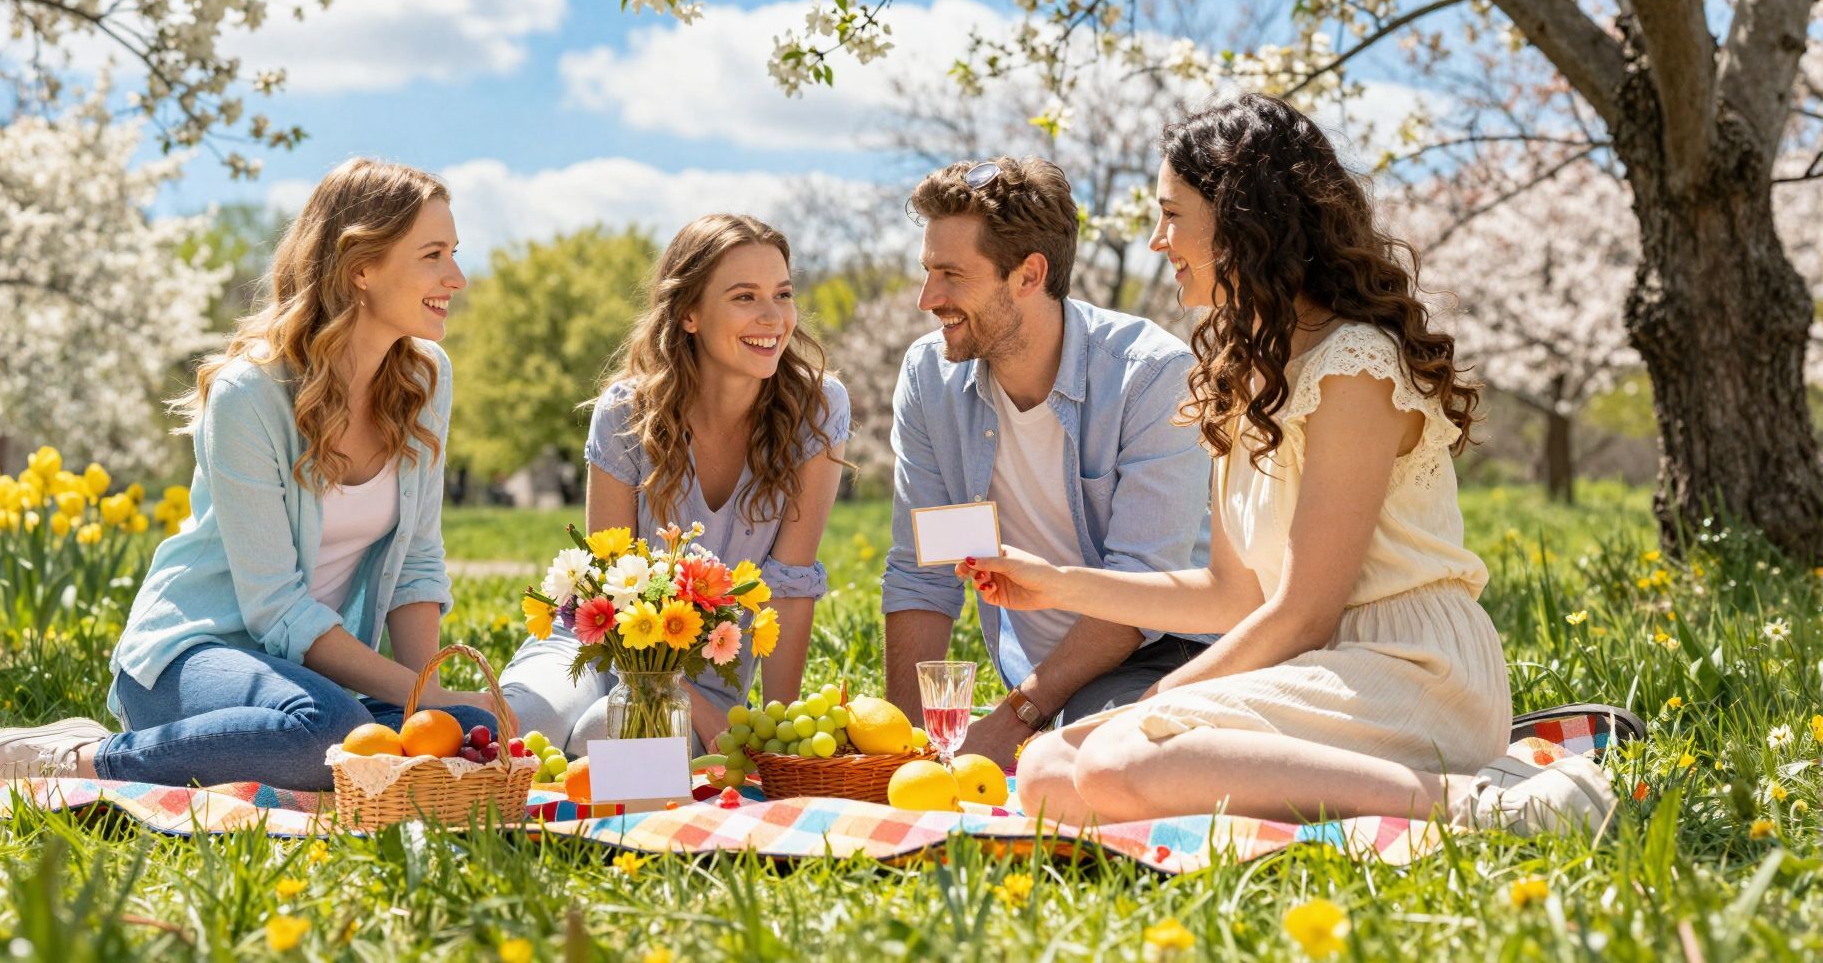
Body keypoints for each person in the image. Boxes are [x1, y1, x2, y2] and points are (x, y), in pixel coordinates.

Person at [964, 95, 1615, 832]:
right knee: (1049, 773)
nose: (1156, 239)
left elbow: (1305, 610)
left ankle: (1486, 805)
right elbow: (1230, 594)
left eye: (1172, 214)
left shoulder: (1355, 366)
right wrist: (1058, 585)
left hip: (1414, 668)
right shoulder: (1244, 378)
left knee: (1117, 757)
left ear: (1242, 221)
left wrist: (1160, 704)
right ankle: (1392, 792)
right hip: (1314, 670)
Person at [0, 159, 497, 792]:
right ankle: (73, 762)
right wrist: (422, 694)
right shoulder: (249, 393)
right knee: (325, 732)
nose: (457, 277)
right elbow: (276, 611)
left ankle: (277, 745)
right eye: (433, 255)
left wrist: (435, 710)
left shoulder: (426, 377)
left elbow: (417, 560)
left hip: (306, 675)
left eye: (454, 252)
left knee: (475, 736)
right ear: (361, 266)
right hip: (192, 656)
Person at [881, 156, 1212, 765]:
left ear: (1030, 274)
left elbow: (1140, 593)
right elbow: (924, 574)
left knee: (1088, 764)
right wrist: (900, 749)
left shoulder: (1150, 377)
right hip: (1037, 681)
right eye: (928, 271)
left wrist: (1015, 719)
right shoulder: (931, 379)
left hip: (1167, 653)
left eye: (951, 275)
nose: (929, 299)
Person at [498, 214, 849, 755]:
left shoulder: (817, 409)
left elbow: (790, 586)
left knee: (610, 738)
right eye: (744, 297)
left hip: (702, 669)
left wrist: (784, 740)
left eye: (782, 293)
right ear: (689, 314)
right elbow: (609, 592)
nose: (772, 317)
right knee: (519, 724)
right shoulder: (626, 414)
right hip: (593, 647)